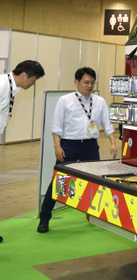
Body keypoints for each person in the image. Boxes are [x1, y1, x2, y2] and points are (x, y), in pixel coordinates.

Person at [37, 67, 117, 234]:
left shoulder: (100, 101)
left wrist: (112, 142)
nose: (89, 86)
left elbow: (107, 125)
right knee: (59, 182)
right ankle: (44, 219)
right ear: (76, 82)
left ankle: (97, 215)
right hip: (69, 147)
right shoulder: (65, 101)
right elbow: (56, 127)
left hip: (90, 146)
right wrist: (57, 147)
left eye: (92, 82)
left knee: (96, 182)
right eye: (86, 82)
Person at [0, 60, 45, 243]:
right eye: (34, 79)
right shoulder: (2, 85)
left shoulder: (10, 87)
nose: (33, 84)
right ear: (24, 75)